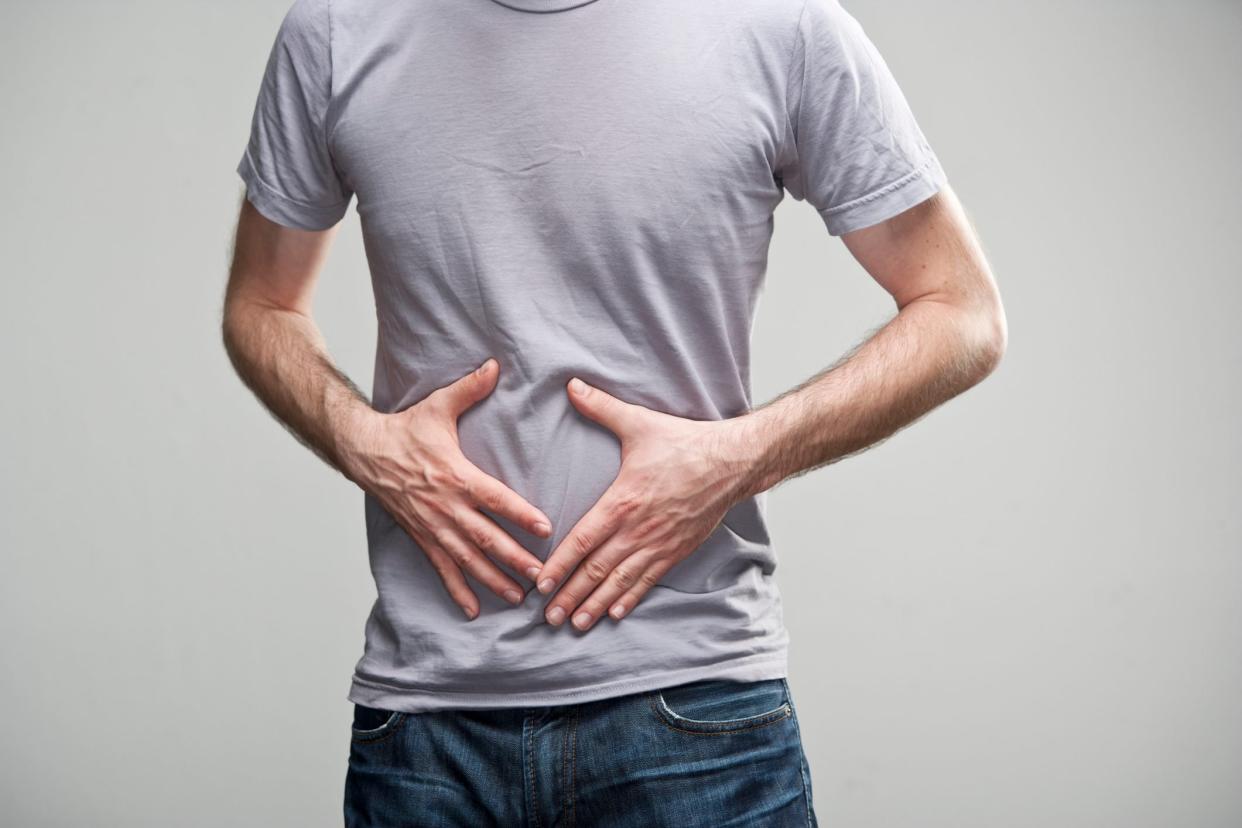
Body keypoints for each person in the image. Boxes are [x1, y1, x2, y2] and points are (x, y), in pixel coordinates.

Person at [222, 0, 1005, 824]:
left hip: (694, 714)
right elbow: (261, 304)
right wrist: (364, 443)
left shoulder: (779, 25)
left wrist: (737, 458)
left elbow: (962, 311)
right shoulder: (339, 28)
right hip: (426, 725)